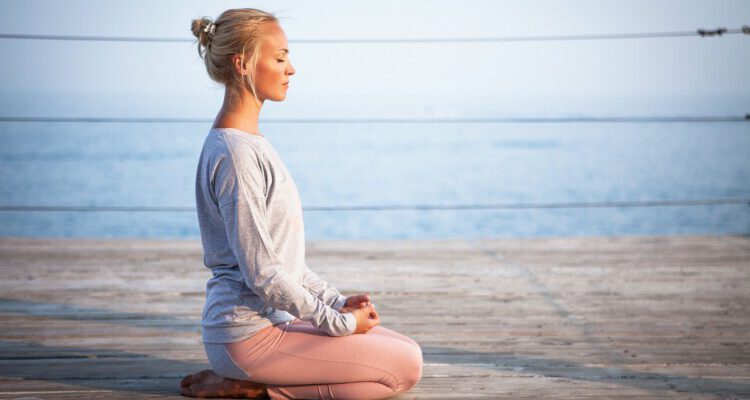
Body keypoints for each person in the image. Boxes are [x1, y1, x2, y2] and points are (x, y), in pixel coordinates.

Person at [181, 8, 423, 399]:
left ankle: (249, 381)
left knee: (406, 351)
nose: (291, 69)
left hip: (272, 324)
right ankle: (251, 388)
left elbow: (282, 261)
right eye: (279, 58)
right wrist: (338, 324)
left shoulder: (248, 143)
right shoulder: (235, 154)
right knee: (403, 370)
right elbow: (263, 275)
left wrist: (337, 301)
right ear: (242, 64)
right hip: (247, 336)